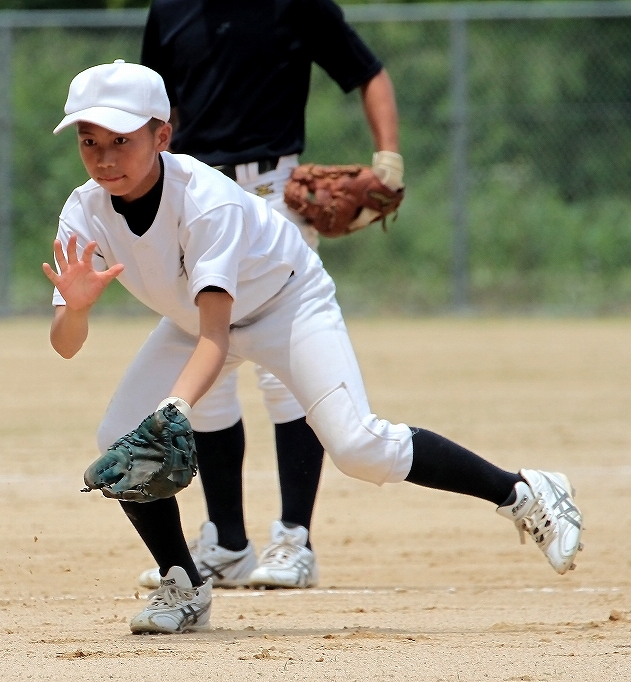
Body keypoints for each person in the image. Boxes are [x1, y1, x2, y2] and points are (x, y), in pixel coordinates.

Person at [43, 60, 583, 634]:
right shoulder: (85, 209)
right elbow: (66, 346)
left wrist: (174, 409)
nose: (104, 157)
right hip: (191, 321)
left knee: (358, 447)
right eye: (88, 140)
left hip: (287, 304)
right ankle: (184, 584)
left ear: (162, 136)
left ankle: (523, 491)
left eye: (122, 140)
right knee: (118, 441)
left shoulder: (206, 201)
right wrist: (74, 309)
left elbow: (216, 336)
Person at [135, 0, 404, 591]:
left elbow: (368, 72)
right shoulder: (169, 9)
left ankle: (293, 539)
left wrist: (388, 157)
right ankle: (227, 543)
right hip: (194, 203)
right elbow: (157, 109)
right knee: (205, 377)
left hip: (273, 198)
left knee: (284, 373)